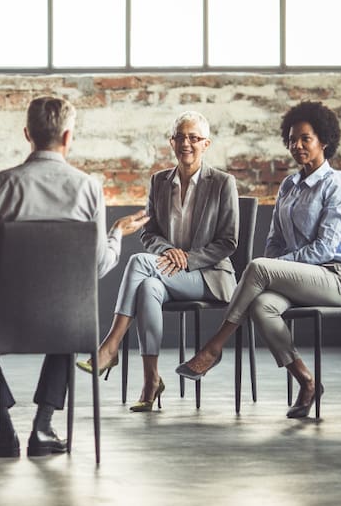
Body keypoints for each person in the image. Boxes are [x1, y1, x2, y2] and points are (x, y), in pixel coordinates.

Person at [0, 95, 149, 458]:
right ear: (67, 137)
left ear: (27, 134)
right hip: (69, 324)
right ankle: (43, 427)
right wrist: (117, 235)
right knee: (73, 306)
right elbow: (97, 266)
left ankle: (2, 427)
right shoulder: (88, 188)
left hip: (7, 318)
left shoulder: (0, 185)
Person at [176, 101, 341, 419]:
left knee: (259, 267)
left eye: (305, 138)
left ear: (324, 141)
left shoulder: (337, 183)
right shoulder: (289, 185)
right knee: (262, 306)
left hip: (332, 279)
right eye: (291, 139)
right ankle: (307, 380)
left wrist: (279, 267)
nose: (297, 145)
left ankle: (214, 347)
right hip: (295, 279)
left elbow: (326, 247)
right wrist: (280, 267)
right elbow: (274, 241)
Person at [75, 111, 239, 412]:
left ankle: (110, 347)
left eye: (194, 138)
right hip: (167, 273)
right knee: (148, 287)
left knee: (139, 263)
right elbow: (149, 233)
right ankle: (151, 381)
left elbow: (228, 242)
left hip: (208, 276)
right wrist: (169, 252)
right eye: (180, 137)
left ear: (206, 143)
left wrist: (187, 259)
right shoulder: (159, 181)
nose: (186, 143)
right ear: (171, 142)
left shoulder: (223, 183)